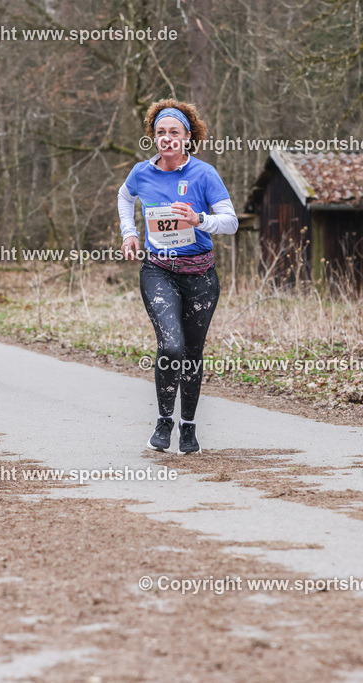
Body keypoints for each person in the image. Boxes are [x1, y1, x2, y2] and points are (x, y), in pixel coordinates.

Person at [117, 99, 239, 454]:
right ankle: (164, 421)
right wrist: (129, 233)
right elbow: (124, 198)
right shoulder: (141, 172)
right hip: (159, 270)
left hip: (200, 274)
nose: (167, 138)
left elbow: (231, 222)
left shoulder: (204, 174)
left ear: (187, 137)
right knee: (171, 346)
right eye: (160, 132)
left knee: (192, 351)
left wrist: (199, 220)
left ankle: (188, 427)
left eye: (174, 132)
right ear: (153, 137)